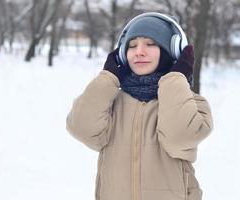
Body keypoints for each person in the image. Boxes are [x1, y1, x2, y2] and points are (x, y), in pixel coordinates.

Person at [66, 12, 213, 200]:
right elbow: (80, 128)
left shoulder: (193, 103)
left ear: (172, 51)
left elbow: (179, 138)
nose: (139, 52)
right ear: (122, 54)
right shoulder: (111, 103)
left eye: (150, 44)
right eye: (132, 45)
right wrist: (107, 78)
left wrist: (176, 79)